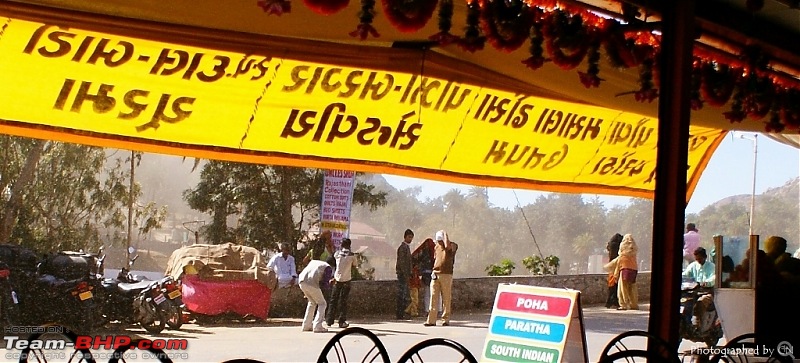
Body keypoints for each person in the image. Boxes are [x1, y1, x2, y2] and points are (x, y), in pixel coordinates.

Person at [424, 230, 458, 327]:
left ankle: (445, 319)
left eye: (440, 240)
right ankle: (431, 320)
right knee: (433, 297)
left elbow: (447, 247)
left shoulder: (452, 246)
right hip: (436, 273)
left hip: (446, 274)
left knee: (446, 298)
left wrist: (445, 234)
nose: (439, 242)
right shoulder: (436, 246)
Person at [326, 238, 358, 328]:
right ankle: (341, 321)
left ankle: (329, 320)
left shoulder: (337, 254)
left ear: (341, 245)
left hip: (337, 279)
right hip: (346, 280)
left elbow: (330, 261)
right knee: (343, 301)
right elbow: (355, 265)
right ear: (349, 245)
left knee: (333, 300)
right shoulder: (352, 255)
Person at [298, 258, 333, 333]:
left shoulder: (314, 262)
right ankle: (317, 326)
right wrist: (330, 284)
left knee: (312, 302)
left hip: (301, 281)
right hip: (312, 283)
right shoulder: (328, 267)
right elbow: (325, 283)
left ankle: (306, 325)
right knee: (322, 304)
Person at [610, 233, 638, 311]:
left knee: (622, 289)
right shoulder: (634, 248)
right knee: (632, 288)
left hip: (624, 268)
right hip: (634, 269)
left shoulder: (623, 246)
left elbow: (620, 259)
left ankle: (623, 305)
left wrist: (616, 273)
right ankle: (634, 304)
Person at [412, 237, 438, 317]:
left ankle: (429, 310)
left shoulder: (423, 252)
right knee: (432, 293)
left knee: (430, 293)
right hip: (430, 275)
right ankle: (434, 310)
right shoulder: (432, 252)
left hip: (428, 275)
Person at [396, 229, 413, 320]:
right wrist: (406, 274)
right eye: (409, 237)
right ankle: (400, 313)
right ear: (405, 237)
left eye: (411, 237)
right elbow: (402, 263)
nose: (410, 239)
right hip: (402, 274)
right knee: (401, 294)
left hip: (405, 274)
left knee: (403, 294)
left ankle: (402, 313)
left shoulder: (406, 248)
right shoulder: (402, 248)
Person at [604, 233, 623, 309]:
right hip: (617, 266)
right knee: (616, 284)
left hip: (611, 266)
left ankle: (609, 302)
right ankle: (614, 301)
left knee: (611, 284)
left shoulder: (611, 245)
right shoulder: (619, 246)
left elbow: (608, 249)